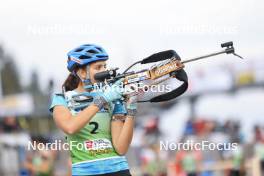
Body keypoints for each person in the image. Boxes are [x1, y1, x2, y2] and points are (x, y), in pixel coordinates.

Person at [49, 44, 137, 176]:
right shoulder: (62, 99)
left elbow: (121, 148)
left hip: (119, 169)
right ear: (82, 72)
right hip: (86, 171)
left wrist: (131, 109)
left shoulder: (111, 96)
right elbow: (70, 127)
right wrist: (103, 99)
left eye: (105, 66)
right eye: (98, 67)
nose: (104, 71)